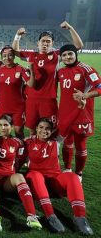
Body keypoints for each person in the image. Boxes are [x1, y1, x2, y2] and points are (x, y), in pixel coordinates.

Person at [23, 118, 93, 235]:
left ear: (52, 131)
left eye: (47, 129)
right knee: (35, 175)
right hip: (36, 182)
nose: (44, 131)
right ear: (36, 129)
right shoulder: (27, 142)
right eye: (41, 127)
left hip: (54, 183)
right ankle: (50, 215)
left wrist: (80, 108)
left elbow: (66, 123)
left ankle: (80, 216)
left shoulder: (56, 142)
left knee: (72, 176)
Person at [0, 110, 42, 231]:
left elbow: (22, 160)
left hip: (7, 179)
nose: (2, 128)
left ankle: (31, 217)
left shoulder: (18, 143)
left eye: (6, 125)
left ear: (11, 127)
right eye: (0, 125)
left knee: (20, 177)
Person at [12, 21, 83, 134]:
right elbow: (15, 51)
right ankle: (34, 151)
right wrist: (17, 36)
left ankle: (49, 151)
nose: (45, 44)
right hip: (31, 99)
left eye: (48, 42)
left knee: (49, 130)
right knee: (32, 130)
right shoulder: (31, 55)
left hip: (48, 101)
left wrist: (70, 28)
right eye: (43, 41)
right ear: (38, 43)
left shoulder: (57, 55)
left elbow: (78, 46)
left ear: (52, 43)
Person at [56, 44, 101, 179]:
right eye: (64, 55)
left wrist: (85, 96)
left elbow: (99, 87)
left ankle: (79, 173)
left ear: (76, 54)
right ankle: (68, 169)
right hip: (64, 114)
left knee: (80, 144)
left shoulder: (86, 69)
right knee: (67, 142)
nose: (67, 57)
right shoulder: (61, 71)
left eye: (70, 54)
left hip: (82, 115)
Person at [0, 46, 35, 138]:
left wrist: (32, 71)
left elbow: (31, 84)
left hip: (18, 107)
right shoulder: (0, 69)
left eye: (10, 55)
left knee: (18, 132)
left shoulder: (20, 69)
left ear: (14, 56)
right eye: (4, 56)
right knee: (4, 132)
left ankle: (21, 151)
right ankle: (7, 151)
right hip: (3, 106)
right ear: (2, 58)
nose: (7, 58)